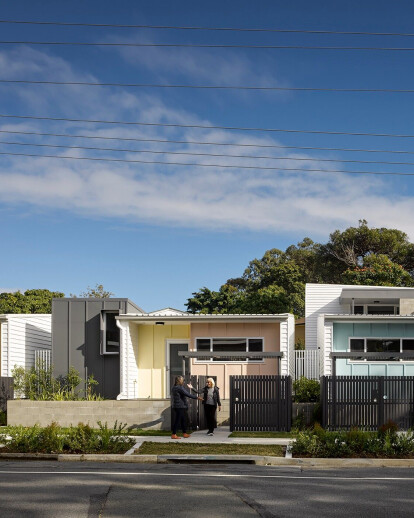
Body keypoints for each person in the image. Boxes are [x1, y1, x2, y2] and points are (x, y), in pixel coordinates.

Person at [170, 375, 202, 439]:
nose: (183, 382)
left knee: (183, 420)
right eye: (182, 380)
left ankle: (184, 433)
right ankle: (174, 434)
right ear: (179, 380)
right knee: (178, 420)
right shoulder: (180, 388)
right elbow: (187, 394)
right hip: (180, 406)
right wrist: (197, 397)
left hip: (176, 406)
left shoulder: (174, 387)